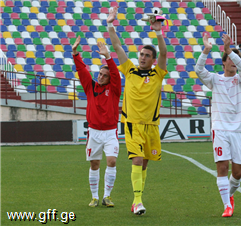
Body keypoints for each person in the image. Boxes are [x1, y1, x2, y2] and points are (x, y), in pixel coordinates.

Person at [107, 6, 168, 215]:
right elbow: (116, 46)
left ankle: (137, 200)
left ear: (152, 60)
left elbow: (164, 53)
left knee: (144, 165)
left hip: (151, 125)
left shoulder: (158, 73)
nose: (142, 57)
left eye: (146, 55)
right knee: (138, 159)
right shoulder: (129, 69)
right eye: (141, 54)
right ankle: (138, 201)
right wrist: (110, 24)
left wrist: (158, 31)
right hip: (132, 123)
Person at [195, 34, 241, 217]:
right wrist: (206, 50)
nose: (235, 61)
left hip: (239, 130)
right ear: (224, 63)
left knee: (237, 172)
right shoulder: (215, 80)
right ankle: (227, 206)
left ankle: (230, 195)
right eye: (231, 58)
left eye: (237, 58)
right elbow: (199, 69)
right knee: (222, 167)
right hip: (219, 128)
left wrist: (230, 51)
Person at [72, 36, 121, 208]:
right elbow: (82, 70)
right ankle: (94, 197)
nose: (100, 77)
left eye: (104, 75)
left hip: (110, 132)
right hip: (93, 132)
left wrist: (108, 56)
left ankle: (107, 196)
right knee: (94, 164)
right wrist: (75, 53)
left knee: (112, 161)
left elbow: (115, 73)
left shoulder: (114, 90)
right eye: (100, 74)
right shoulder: (90, 87)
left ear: (110, 79)